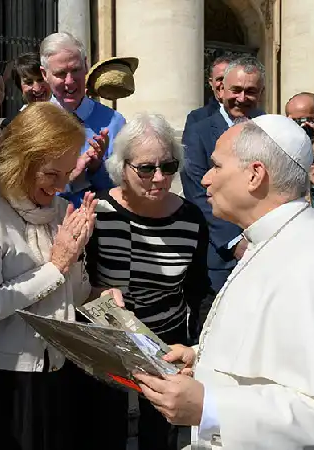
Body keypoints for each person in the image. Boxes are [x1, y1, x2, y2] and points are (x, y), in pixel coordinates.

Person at [135, 114, 314, 450]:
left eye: (216, 166)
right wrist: (200, 358)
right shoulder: (272, 242)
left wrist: (210, 407)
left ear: (255, 175)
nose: (205, 179)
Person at [0, 102, 122, 450]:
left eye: (66, 174)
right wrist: (57, 265)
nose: (60, 187)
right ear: (23, 160)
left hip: (53, 374)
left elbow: (70, 298)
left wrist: (99, 293)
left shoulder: (61, 210)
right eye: (51, 174)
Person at [72, 113, 209, 450]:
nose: (159, 178)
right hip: (107, 339)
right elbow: (78, 280)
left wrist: (202, 347)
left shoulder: (191, 218)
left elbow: (198, 290)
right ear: (122, 166)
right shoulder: (98, 211)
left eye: (168, 167)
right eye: (146, 168)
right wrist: (96, 293)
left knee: (159, 435)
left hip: (166, 342)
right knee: (101, 430)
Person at [180, 56, 265, 337]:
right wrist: (235, 241)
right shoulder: (199, 133)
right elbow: (197, 194)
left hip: (265, 254)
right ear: (221, 91)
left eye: (250, 91)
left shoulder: (270, 130)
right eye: (235, 90)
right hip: (218, 259)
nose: (242, 98)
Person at [40, 32, 125, 207]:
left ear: (86, 65)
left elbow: (126, 190)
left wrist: (96, 169)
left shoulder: (114, 122)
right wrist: (69, 180)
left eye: (76, 70)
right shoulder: (31, 122)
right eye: (61, 73)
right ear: (44, 74)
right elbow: (22, 190)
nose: (70, 81)